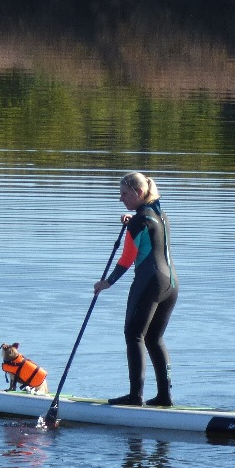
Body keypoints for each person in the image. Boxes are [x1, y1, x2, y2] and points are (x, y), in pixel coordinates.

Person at [94, 172, 179, 406]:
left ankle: (135, 396)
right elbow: (146, 228)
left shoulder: (138, 221)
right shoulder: (160, 215)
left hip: (150, 283)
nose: (120, 198)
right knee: (154, 338)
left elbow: (127, 258)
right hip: (171, 285)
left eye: (124, 193)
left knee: (133, 335)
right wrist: (131, 219)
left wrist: (107, 282)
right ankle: (165, 396)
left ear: (138, 192)